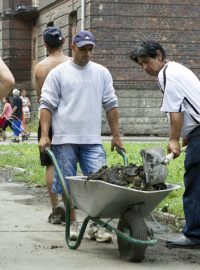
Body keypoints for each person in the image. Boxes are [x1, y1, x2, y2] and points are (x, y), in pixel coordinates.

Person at [39, 30, 124, 242]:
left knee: (99, 183)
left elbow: (111, 105)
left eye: (90, 49)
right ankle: (73, 222)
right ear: (73, 48)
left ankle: (96, 225)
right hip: (65, 139)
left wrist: (116, 135)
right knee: (69, 184)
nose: (87, 53)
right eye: (83, 49)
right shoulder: (58, 74)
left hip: (92, 140)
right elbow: (46, 105)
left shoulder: (101, 73)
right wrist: (44, 135)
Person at [130, 40, 200, 249]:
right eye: (140, 64)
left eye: (147, 61)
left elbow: (175, 111)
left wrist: (174, 140)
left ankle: (194, 235)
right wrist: (188, 134)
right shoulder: (178, 69)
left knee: (195, 185)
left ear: (159, 55)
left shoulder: (166, 74)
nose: (144, 67)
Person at [34, 24, 70, 225]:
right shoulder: (72, 63)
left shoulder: (40, 67)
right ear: (63, 41)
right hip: (70, 118)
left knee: (50, 164)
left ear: (45, 44)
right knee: (69, 161)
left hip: (49, 119)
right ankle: (70, 206)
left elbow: (41, 98)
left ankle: (55, 208)